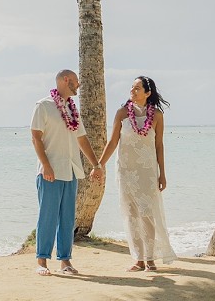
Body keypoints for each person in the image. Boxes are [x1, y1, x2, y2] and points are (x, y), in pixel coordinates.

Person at [30, 69, 104, 276]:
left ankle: (65, 262)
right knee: (48, 217)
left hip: (71, 171)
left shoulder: (72, 110)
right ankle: (42, 262)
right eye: (76, 82)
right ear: (66, 80)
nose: (78, 85)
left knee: (67, 218)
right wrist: (46, 165)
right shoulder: (43, 106)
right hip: (50, 171)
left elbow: (82, 139)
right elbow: (36, 137)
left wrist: (96, 165)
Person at [98, 76, 175, 272]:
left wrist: (162, 174)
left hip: (148, 171)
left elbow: (159, 145)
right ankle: (138, 259)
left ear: (147, 93)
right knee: (131, 213)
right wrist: (99, 165)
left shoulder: (157, 115)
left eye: (137, 88)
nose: (132, 91)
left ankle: (150, 259)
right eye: (131, 87)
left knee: (147, 214)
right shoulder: (122, 113)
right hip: (125, 171)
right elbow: (113, 142)